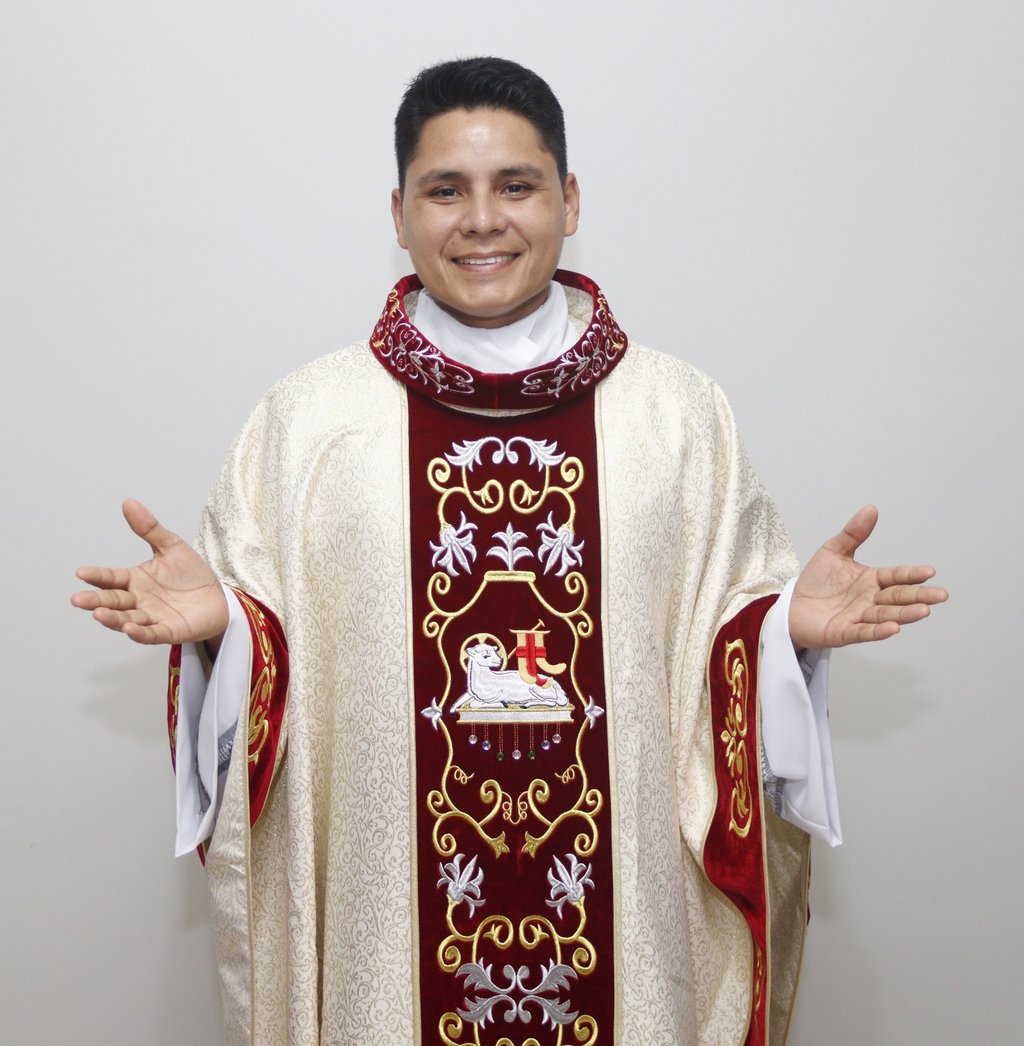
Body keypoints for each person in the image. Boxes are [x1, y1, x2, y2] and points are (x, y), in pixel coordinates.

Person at [72, 57, 946, 1046]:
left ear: (569, 200)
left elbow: (707, 655)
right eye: (445, 190)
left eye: (515, 186)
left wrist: (777, 632)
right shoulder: (309, 422)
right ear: (398, 213)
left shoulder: (678, 416)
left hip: (625, 937)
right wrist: (229, 629)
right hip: (391, 944)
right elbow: (284, 690)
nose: (482, 220)